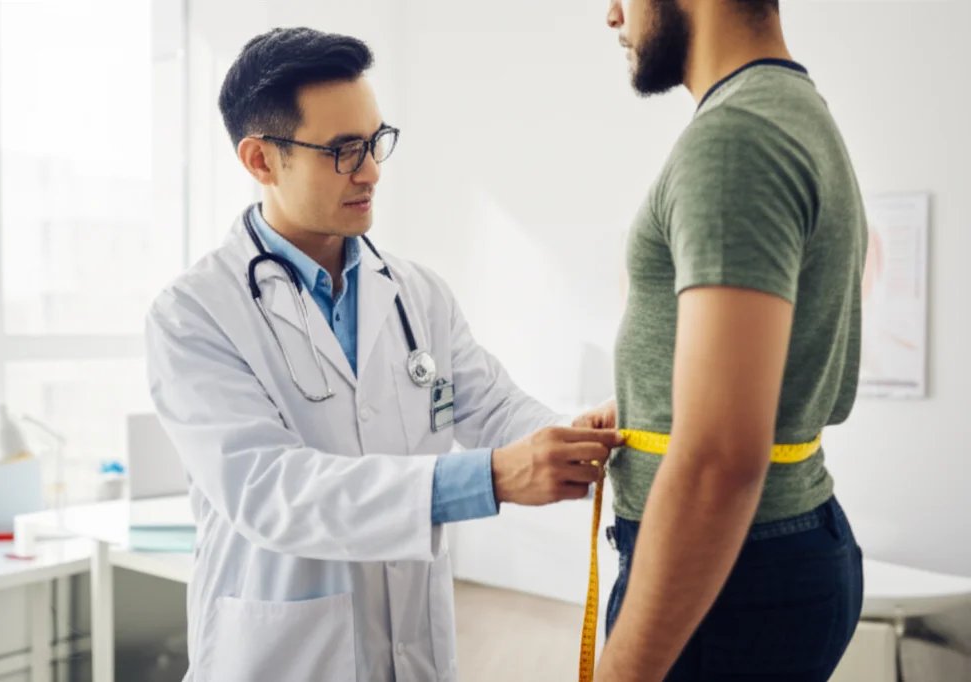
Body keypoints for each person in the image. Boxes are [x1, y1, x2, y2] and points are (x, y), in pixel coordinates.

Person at [144, 27, 623, 682]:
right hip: (284, 657)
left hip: (413, 651)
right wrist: (489, 478)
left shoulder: (415, 293)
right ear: (260, 160)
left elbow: (490, 404)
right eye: (342, 151)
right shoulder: (195, 312)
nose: (371, 170)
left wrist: (571, 433)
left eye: (374, 142)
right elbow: (269, 489)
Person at [579, 1, 868, 680]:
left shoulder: (736, 137)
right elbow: (773, 370)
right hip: (764, 554)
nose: (612, 14)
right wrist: (649, 409)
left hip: (725, 571)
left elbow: (719, 457)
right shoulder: (783, 109)